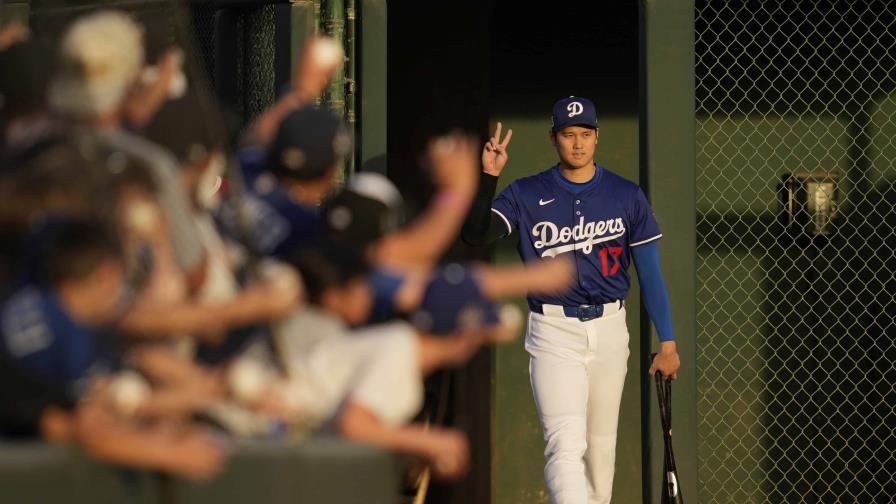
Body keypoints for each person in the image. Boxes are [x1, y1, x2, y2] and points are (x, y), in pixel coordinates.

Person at [462, 96, 681, 504]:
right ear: (553, 139)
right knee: (564, 444)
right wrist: (488, 177)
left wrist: (667, 342)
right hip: (553, 331)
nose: (577, 143)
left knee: (600, 453)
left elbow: (650, 275)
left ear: (597, 138)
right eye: (568, 134)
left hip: (610, 329)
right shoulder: (526, 192)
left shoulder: (626, 195)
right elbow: (476, 234)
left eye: (585, 134)